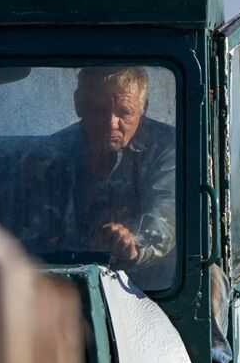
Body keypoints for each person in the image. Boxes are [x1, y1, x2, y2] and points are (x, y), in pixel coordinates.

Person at [23, 66, 177, 289]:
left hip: (156, 283)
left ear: (143, 108)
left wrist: (134, 244)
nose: (110, 123)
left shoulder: (168, 147)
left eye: (123, 112)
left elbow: (165, 215)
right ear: (79, 104)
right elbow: (36, 235)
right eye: (99, 111)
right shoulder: (51, 156)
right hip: (71, 279)